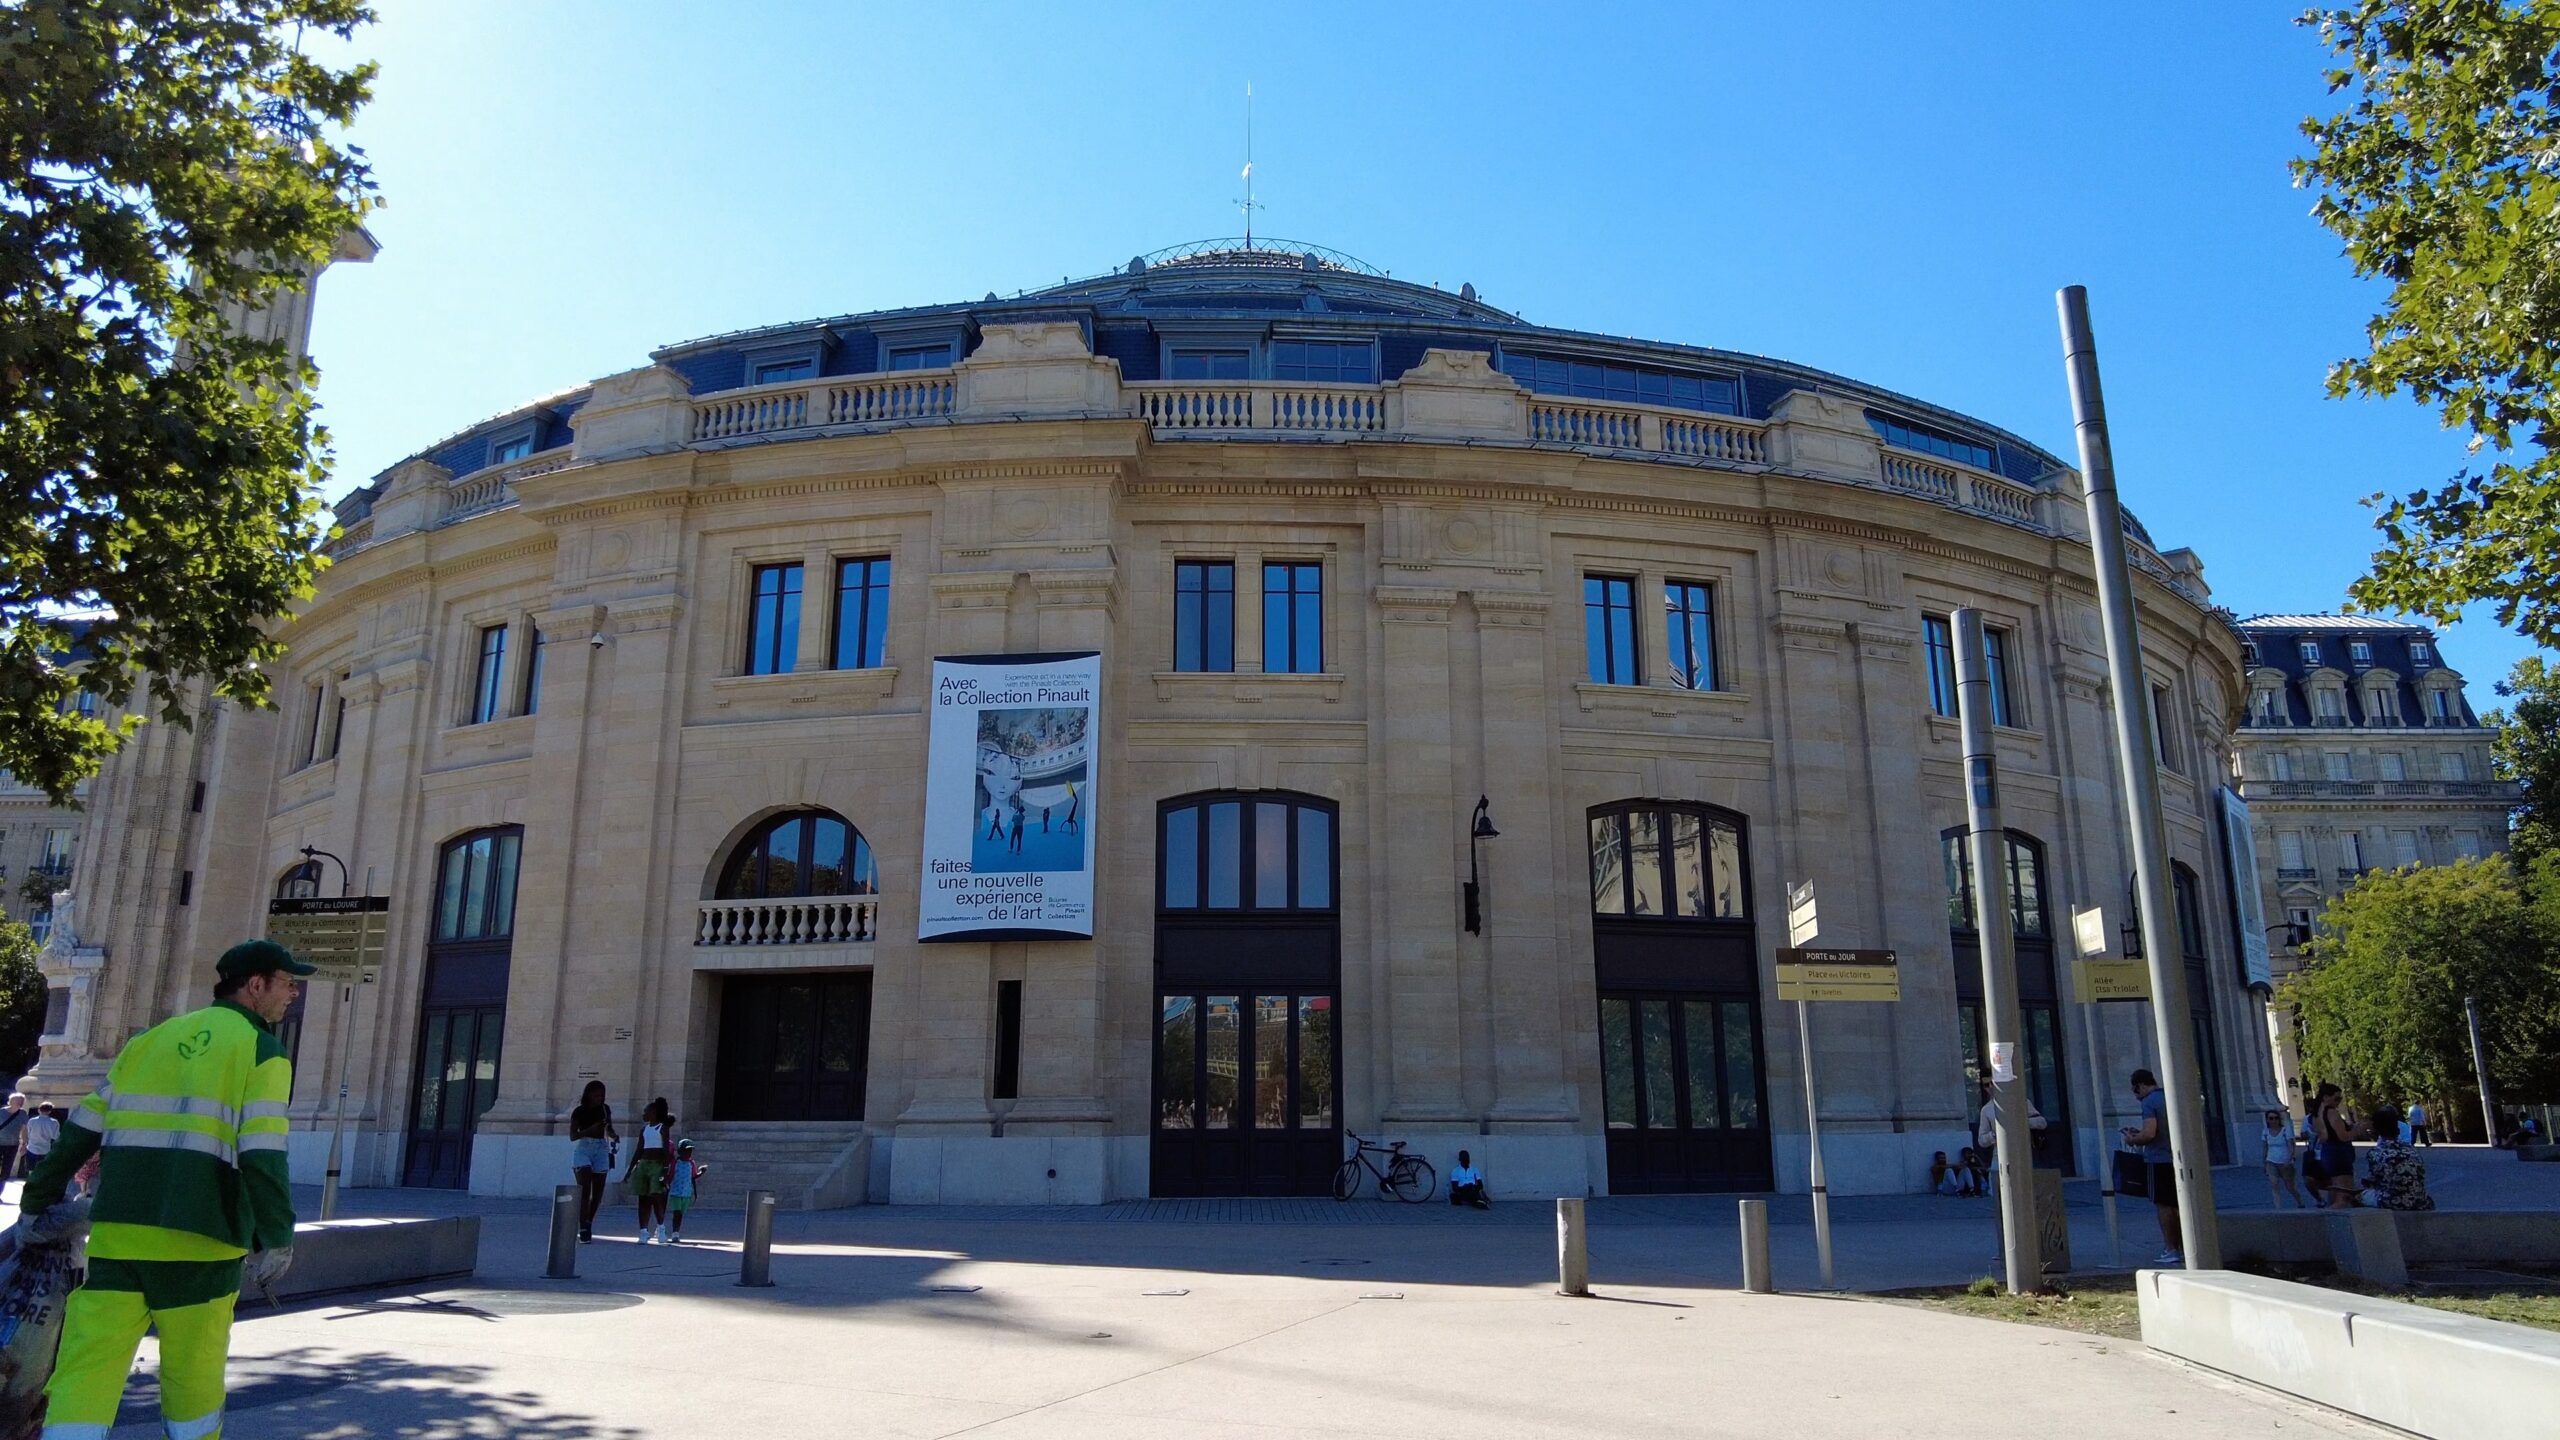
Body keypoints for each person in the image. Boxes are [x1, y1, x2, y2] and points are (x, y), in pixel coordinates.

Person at [19, 937, 309, 1440]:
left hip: (117, 1237)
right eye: (287, 983)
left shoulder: (146, 1042)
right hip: (203, 1242)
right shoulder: (263, 1051)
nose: (294, 994)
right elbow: (263, 1153)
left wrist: (36, 1203)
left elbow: (79, 1133)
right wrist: (276, 1233)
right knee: (192, 1379)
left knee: (87, 1371)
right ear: (255, 985)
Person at [2120, 1068, 2182, 1264]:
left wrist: (2132, 1139)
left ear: (2140, 1085)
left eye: (2135, 1091)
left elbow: (2149, 1134)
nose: (2136, 1097)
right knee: (2177, 1205)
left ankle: (2171, 1248)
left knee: (2164, 1206)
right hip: (2177, 1158)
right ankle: (2182, 1246)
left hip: (2159, 1160)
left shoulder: (2149, 1102)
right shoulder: (2168, 1097)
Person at [567, 1081, 620, 1243]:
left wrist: (613, 1135)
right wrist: (589, 1130)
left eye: (602, 1095)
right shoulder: (579, 1111)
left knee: (598, 1191)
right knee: (585, 1188)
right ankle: (582, 1226)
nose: (600, 1098)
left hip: (601, 1148)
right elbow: (573, 1136)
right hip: (585, 1146)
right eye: (597, 1095)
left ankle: (589, 1221)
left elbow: (609, 1128)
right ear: (589, 1094)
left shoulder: (605, 1109)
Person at [2362, 1103, 2435, 1211]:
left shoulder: (2376, 1153)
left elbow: (2373, 1180)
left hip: (2393, 1201)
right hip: (2420, 1201)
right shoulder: (2412, 1151)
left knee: (2361, 1196)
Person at [626, 1096, 675, 1243]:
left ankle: (660, 1228)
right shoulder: (644, 1129)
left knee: (656, 1196)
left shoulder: (662, 1128)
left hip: (657, 1165)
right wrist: (631, 1168)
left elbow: (665, 1149)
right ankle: (643, 1231)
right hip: (644, 1164)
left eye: (645, 1111)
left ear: (653, 1112)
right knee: (643, 1198)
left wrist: (666, 1168)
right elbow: (639, 1149)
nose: (643, 1114)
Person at [2311, 1082, 2360, 1209]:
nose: (2338, 1102)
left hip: (2327, 1151)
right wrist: (2358, 1129)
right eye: (2336, 1098)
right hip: (2338, 1152)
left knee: (2335, 1189)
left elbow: (2322, 1137)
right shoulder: (2331, 1112)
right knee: (2345, 1192)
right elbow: (2343, 1136)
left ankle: (2330, 1217)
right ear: (2326, 1097)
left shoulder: (2316, 1114)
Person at [2262, 1108, 2307, 1208]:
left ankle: (2300, 1201)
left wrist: (2291, 1158)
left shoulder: (2285, 1130)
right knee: (2274, 1184)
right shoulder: (2265, 1132)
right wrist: (2264, 1163)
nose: (2274, 1121)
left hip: (2285, 1162)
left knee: (2290, 1186)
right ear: (2267, 1120)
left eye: (2276, 1118)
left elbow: (2291, 1145)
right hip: (2271, 1160)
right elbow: (2265, 1147)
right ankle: (2278, 1208)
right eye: (2271, 1118)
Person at [667, 1139, 706, 1241]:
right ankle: (675, 1233)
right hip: (676, 1192)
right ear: (680, 1151)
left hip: (686, 1193)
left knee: (681, 1213)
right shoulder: (675, 1163)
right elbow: (670, 1175)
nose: (688, 1153)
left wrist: (701, 1172)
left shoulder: (691, 1163)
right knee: (677, 1213)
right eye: (686, 1151)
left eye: (690, 1151)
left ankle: (677, 1231)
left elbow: (693, 1176)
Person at [22, 1100, 61, 1174]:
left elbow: (28, 1133)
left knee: (31, 1169)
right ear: (50, 1111)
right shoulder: (54, 1122)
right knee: (42, 1170)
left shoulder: (32, 1121)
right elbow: (55, 1136)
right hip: (45, 1149)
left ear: (39, 1110)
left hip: (32, 1148)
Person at [0, 1091, 28, 1181]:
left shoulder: (23, 1114)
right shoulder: (1, 1112)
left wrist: (24, 1144)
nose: (20, 1103)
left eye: (21, 1101)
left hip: (12, 1144)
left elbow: (24, 1129)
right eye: (18, 1101)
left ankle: (2, 1184)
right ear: (11, 1101)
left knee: (7, 1167)